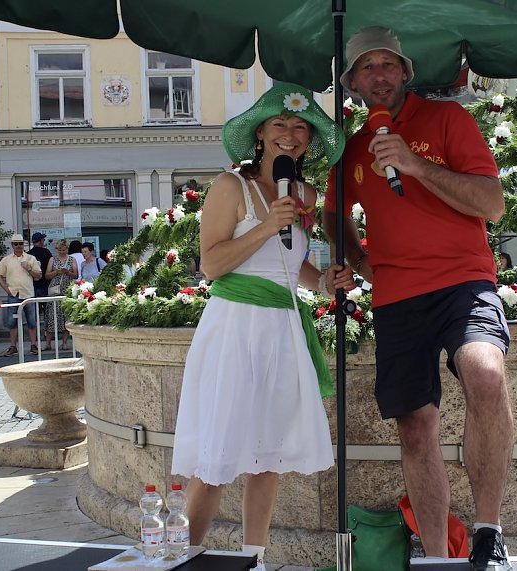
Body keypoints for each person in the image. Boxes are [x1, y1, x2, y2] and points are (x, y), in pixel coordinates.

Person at [323, 27, 513, 571]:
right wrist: (358, 260)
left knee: (486, 374)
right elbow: (335, 216)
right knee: (414, 427)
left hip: (463, 281)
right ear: (354, 84)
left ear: (405, 73)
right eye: (366, 68)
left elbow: (492, 203)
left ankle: (488, 532)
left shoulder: (448, 121)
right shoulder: (351, 147)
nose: (378, 75)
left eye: (387, 65)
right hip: (397, 295)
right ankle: (435, 559)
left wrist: (414, 164)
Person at [170, 82, 353, 571]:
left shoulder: (303, 195)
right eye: (280, 124)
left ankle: (255, 560)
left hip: (282, 331)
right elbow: (211, 265)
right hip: (234, 330)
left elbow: (292, 270)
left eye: (300, 127)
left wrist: (326, 280)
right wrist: (267, 225)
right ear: (260, 134)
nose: (290, 134)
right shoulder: (231, 187)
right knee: (218, 455)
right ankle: (182, 556)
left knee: (268, 457)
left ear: (309, 140)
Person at [0, 234, 42, 357]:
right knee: (12, 322)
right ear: (12, 245)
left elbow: (39, 275)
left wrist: (29, 269)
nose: (19, 246)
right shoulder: (6, 259)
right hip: (13, 293)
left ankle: (33, 345)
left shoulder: (31, 258)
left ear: (24, 244)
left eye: (20, 243)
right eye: (16, 244)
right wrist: (6, 288)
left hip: (28, 293)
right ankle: (13, 346)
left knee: (32, 321)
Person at [43, 239, 78, 351]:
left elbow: (76, 275)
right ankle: (48, 343)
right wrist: (56, 272)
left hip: (67, 289)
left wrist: (68, 272)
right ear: (57, 250)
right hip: (55, 290)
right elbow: (47, 275)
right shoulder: (52, 259)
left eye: (64, 250)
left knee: (66, 317)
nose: (62, 252)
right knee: (51, 316)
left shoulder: (72, 259)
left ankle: (64, 343)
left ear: (67, 249)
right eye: (60, 250)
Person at [27, 232, 52, 299]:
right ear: (41, 241)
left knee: (35, 307)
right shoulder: (46, 252)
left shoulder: (28, 254)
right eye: (43, 240)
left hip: (32, 285)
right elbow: (52, 266)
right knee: (44, 306)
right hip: (45, 285)